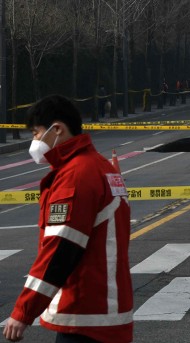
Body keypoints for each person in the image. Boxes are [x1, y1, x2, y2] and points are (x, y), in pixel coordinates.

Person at [3, 95, 133, 343]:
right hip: (106, 311)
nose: (34, 141)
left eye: (36, 133)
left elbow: (61, 249)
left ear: (58, 129)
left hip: (84, 315)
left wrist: (23, 311)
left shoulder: (76, 174)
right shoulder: (101, 167)